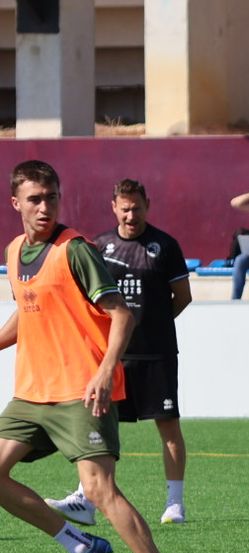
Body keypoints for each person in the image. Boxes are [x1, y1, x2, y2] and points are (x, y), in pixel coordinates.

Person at [0, 160, 195, 553]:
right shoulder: (14, 250)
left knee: (99, 491)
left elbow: (122, 313)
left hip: (79, 390)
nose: (44, 207)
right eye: (34, 199)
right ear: (15, 204)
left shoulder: (77, 250)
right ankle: (79, 546)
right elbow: (28, 316)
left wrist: (106, 372)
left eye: (51, 198)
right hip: (32, 392)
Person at [47, 179, 194, 527]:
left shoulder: (165, 245)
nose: (131, 215)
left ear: (148, 205)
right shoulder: (98, 246)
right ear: (113, 206)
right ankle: (85, 497)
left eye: (137, 208)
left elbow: (183, 296)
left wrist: (152, 323)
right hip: (112, 356)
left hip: (156, 355)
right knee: (98, 423)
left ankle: (175, 504)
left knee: (168, 426)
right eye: (125, 208)